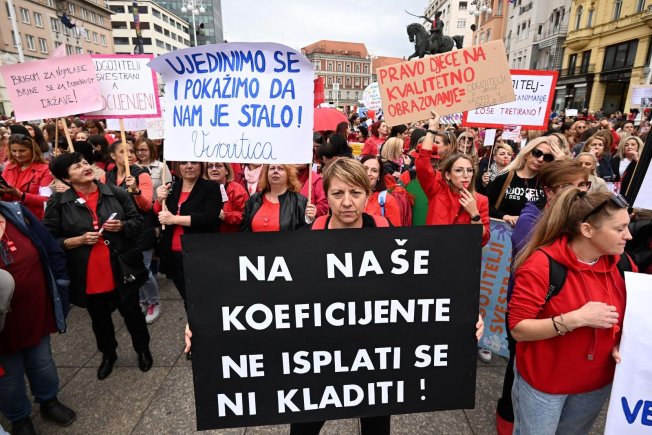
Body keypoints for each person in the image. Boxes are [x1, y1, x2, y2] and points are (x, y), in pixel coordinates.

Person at [184, 158, 486, 435]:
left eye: (355, 193)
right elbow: (262, 294)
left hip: (376, 362)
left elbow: (422, 285)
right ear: (326, 195)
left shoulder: (386, 233)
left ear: (367, 195)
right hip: (318, 363)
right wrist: (209, 323)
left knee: (376, 429)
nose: (347, 203)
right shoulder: (305, 239)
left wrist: (462, 312)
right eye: (338, 193)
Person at [509, 190, 635, 434]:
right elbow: (519, 329)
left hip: (595, 384)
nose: (628, 235)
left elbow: (632, 318)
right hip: (544, 384)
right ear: (587, 230)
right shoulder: (542, 265)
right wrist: (575, 319)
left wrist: (623, 343)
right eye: (619, 229)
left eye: (627, 226)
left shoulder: (623, 263)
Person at [494, 160, 592, 434]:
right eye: (569, 186)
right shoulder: (531, 221)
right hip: (529, 312)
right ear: (549, 191)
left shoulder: (585, 219)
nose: (579, 193)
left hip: (565, 315)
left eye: (584, 185)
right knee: (518, 367)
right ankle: (507, 420)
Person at [44, 153, 153, 380]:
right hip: (88, 273)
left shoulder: (116, 193)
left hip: (121, 268)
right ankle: (108, 355)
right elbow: (49, 239)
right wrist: (76, 241)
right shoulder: (59, 202)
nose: (85, 167)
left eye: (85, 162)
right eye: (76, 166)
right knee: (100, 319)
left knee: (132, 314)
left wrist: (122, 226)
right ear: (66, 178)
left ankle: (143, 349)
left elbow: (138, 223)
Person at [0, 202, 76, 434]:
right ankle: (19, 418)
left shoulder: (15, 211)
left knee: (42, 362)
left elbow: (51, 248)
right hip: (3, 325)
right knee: (8, 376)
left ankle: (48, 400)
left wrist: (61, 283)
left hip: (35, 310)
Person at [106, 141, 160, 324]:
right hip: (121, 230)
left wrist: (136, 190)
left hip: (141, 229)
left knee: (144, 270)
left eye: (131, 151)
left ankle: (154, 302)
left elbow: (147, 205)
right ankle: (143, 299)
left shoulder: (141, 174)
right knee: (130, 270)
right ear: (113, 156)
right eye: (123, 151)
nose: (129, 154)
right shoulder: (109, 175)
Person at [415, 113, 490, 246]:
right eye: (459, 170)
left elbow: (483, 240)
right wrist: (432, 130)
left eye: (469, 170)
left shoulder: (481, 201)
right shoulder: (436, 190)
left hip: (461, 256)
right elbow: (422, 165)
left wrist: (474, 214)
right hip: (434, 252)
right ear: (448, 175)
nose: (465, 175)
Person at [156, 162, 221, 302]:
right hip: (173, 253)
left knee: (201, 298)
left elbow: (209, 217)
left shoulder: (211, 187)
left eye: (194, 162)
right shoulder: (172, 187)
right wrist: (159, 200)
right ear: (178, 167)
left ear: (201, 166)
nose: (189, 166)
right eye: (184, 163)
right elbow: (160, 217)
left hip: (199, 252)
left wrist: (175, 219)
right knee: (187, 298)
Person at [486, 136, 563, 226]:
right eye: (537, 153)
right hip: (503, 231)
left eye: (547, 157)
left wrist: (562, 161)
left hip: (535, 233)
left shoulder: (549, 183)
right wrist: (504, 216)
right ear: (526, 154)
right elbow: (486, 206)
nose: (540, 159)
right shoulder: (505, 177)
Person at [241, 164, 315, 232]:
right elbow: (244, 230)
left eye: (280, 169)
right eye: (272, 168)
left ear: (288, 174)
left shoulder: (299, 202)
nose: (275, 171)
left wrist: (309, 219)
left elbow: (304, 234)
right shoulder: (254, 200)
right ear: (267, 174)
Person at [0, 133, 53, 220]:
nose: (17, 155)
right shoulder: (9, 167)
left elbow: (47, 200)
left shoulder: (45, 170)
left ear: (33, 150)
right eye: (14, 151)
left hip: (33, 218)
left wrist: (20, 195)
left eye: (22, 151)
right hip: (10, 216)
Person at [204, 162, 247, 233]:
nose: (214, 169)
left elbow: (245, 215)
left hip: (229, 236)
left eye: (218, 166)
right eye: (210, 166)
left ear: (227, 171)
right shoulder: (202, 189)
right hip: (205, 235)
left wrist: (225, 216)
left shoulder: (236, 189)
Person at [360, 156, 402, 226]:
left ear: (379, 176)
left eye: (374, 170)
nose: (368, 173)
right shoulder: (348, 195)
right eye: (365, 169)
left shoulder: (388, 200)